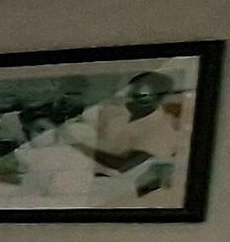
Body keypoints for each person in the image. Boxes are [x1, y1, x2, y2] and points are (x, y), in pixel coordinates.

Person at [62, 70, 192, 205]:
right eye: (131, 94)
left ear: (160, 98)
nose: (132, 100)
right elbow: (81, 123)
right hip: (78, 170)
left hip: (114, 187)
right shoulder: (113, 110)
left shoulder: (162, 130)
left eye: (142, 96)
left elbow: (122, 165)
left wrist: (78, 145)